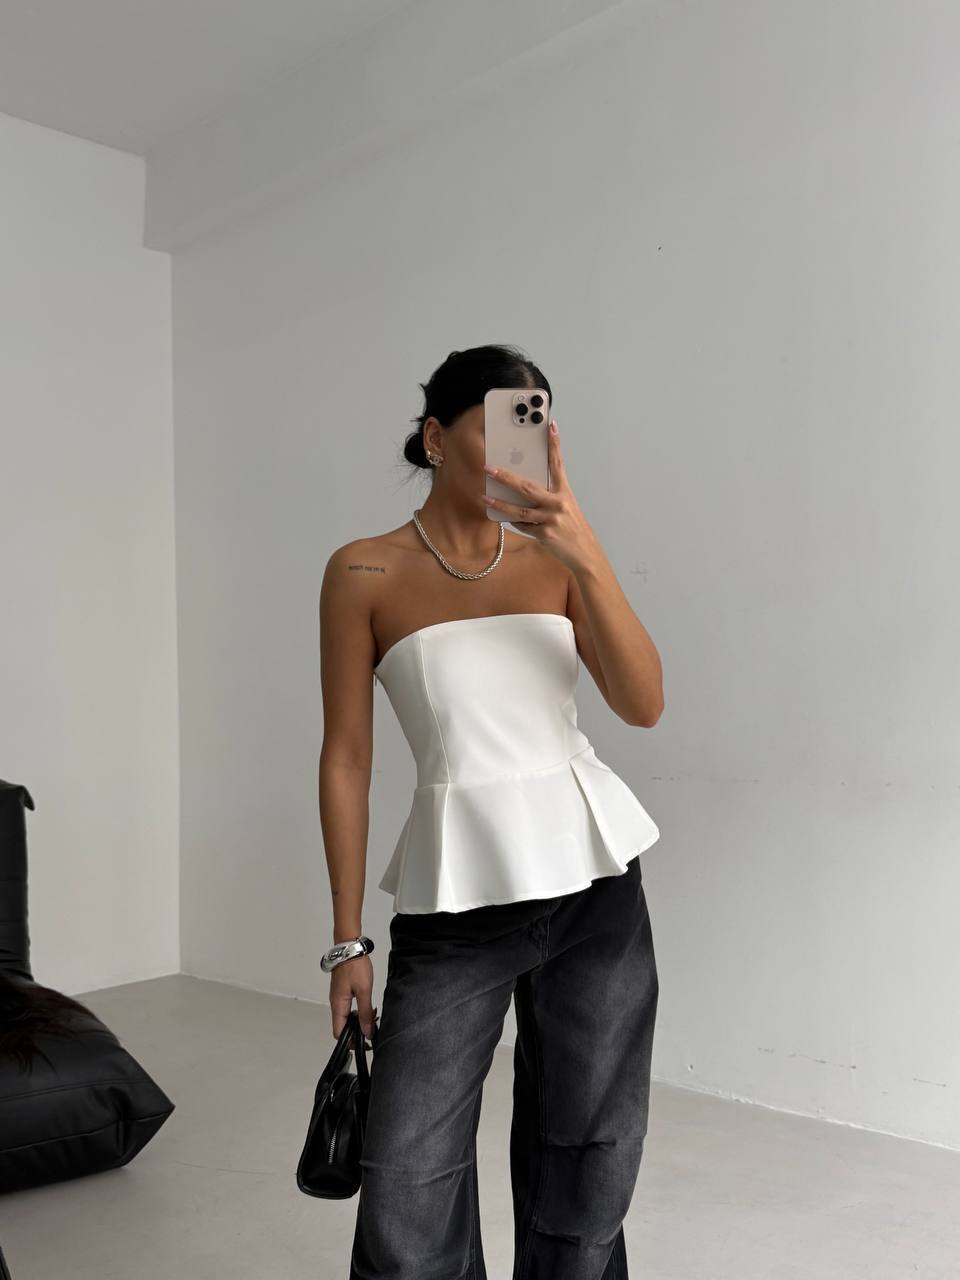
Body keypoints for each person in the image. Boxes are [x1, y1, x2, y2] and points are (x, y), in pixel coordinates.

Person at [318, 344, 663, 1279]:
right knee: (407, 1179)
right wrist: (349, 943)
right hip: (457, 900)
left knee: (591, 1155)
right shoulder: (364, 571)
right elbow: (347, 757)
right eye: (503, 422)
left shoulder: (556, 560)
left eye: (536, 424)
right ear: (436, 437)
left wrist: (582, 547)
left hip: (595, 891)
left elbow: (643, 704)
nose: (525, 446)